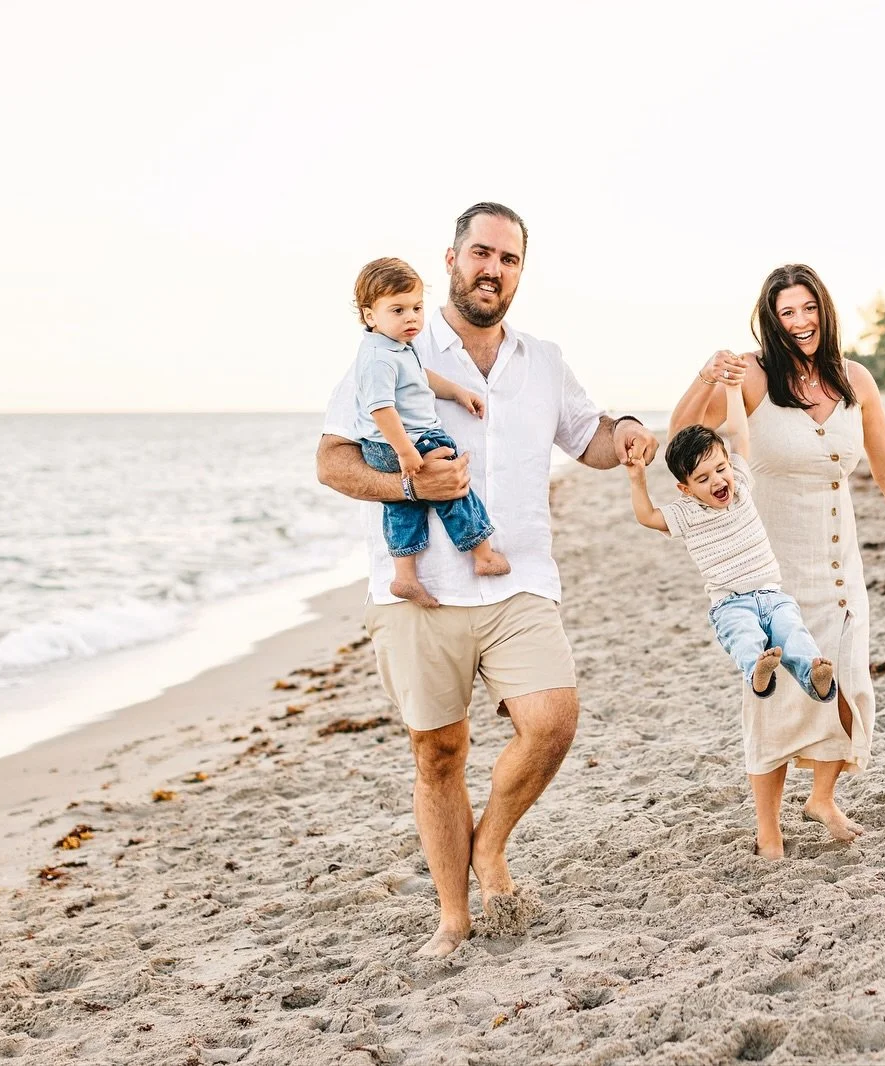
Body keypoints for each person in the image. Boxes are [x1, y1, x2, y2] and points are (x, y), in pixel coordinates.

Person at [316, 202, 659, 956]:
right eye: (480, 253)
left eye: (507, 259)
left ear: (519, 271)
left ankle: (491, 846)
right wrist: (412, 489)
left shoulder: (542, 359)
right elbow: (332, 460)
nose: (491, 269)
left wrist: (627, 429)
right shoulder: (393, 342)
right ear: (451, 258)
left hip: (520, 581)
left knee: (552, 723)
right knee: (438, 755)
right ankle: (453, 914)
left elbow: (591, 439)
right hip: (422, 591)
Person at [669, 264, 885, 860]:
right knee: (775, 691)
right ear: (772, 319)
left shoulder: (853, 379)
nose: (800, 322)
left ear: (825, 309)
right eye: (787, 312)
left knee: (846, 678)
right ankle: (768, 826)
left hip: (841, 561)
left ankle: (822, 797)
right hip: (772, 566)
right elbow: (683, 434)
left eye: (808, 308)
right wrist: (703, 375)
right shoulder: (753, 375)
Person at [626, 381, 836, 704]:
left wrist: (734, 389)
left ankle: (815, 676)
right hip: (731, 603)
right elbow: (647, 516)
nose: (718, 480)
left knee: (793, 634)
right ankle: (758, 672)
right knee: (745, 637)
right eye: (703, 479)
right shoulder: (686, 512)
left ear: (729, 464)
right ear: (686, 489)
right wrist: (637, 480)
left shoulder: (739, 484)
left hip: (772, 594)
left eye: (720, 469)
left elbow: (739, 434)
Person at [346, 257, 510, 607]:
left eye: (417, 308)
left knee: (403, 505)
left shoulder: (396, 348)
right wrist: (406, 451)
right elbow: (381, 408)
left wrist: (457, 392)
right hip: (407, 440)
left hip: (386, 446)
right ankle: (482, 553)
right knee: (452, 485)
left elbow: (423, 379)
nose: (411, 318)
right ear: (370, 315)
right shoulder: (378, 358)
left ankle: (405, 577)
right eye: (398, 310)